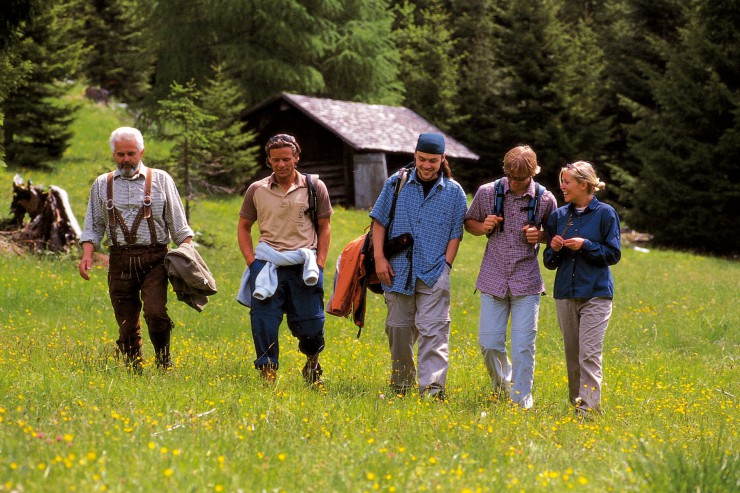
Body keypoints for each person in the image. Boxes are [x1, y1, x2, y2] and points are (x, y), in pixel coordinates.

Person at [78, 127, 194, 372]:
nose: (126, 159)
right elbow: (94, 225)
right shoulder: (102, 184)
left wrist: (188, 254)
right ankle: (134, 367)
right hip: (119, 260)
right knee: (125, 321)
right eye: (120, 154)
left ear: (141, 152)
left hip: (155, 258)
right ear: (113, 155)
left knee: (155, 312)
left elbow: (179, 226)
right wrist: (87, 254)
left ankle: (163, 360)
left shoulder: (161, 179)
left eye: (131, 153)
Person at [370, 133, 467, 399]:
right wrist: (379, 257)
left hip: (434, 271)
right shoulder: (396, 183)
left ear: (442, 159)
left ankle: (432, 390)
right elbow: (378, 221)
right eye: (422, 159)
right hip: (396, 270)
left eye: (433, 161)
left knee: (434, 332)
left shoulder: (455, 192)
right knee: (398, 330)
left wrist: (446, 266)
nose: (426, 165)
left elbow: (456, 234)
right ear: (415, 156)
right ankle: (401, 385)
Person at [464, 145, 557, 409]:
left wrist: (541, 236)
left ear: (533, 173)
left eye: (521, 179)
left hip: (526, 281)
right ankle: (504, 385)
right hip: (492, 278)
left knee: (523, 346)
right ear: (505, 171)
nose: (515, 183)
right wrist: (483, 227)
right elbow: (469, 222)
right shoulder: (487, 193)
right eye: (511, 177)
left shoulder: (546, 200)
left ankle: (521, 400)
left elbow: (554, 236)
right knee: (489, 343)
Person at [237, 134, 333, 385]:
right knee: (264, 323)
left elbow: (325, 226)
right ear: (269, 160)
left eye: (286, 159)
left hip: (305, 267)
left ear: (296, 158)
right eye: (276, 160)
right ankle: (268, 376)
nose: (281, 165)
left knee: (311, 326)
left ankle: (312, 364)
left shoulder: (314, 187)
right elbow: (244, 226)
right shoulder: (256, 190)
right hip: (268, 266)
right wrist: (252, 262)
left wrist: (320, 263)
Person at [543, 161, 621, 417]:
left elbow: (613, 254)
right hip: (565, 293)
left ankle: (589, 411)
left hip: (596, 294)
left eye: (566, 182)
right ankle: (578, 405)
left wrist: (586, 245)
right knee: (573, 355)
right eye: (562, 181)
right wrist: (553, 248)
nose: (562, 186)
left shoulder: (606, 213)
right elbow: (549, 263)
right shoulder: (558, 216)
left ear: (583, 184)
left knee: (589, 354)